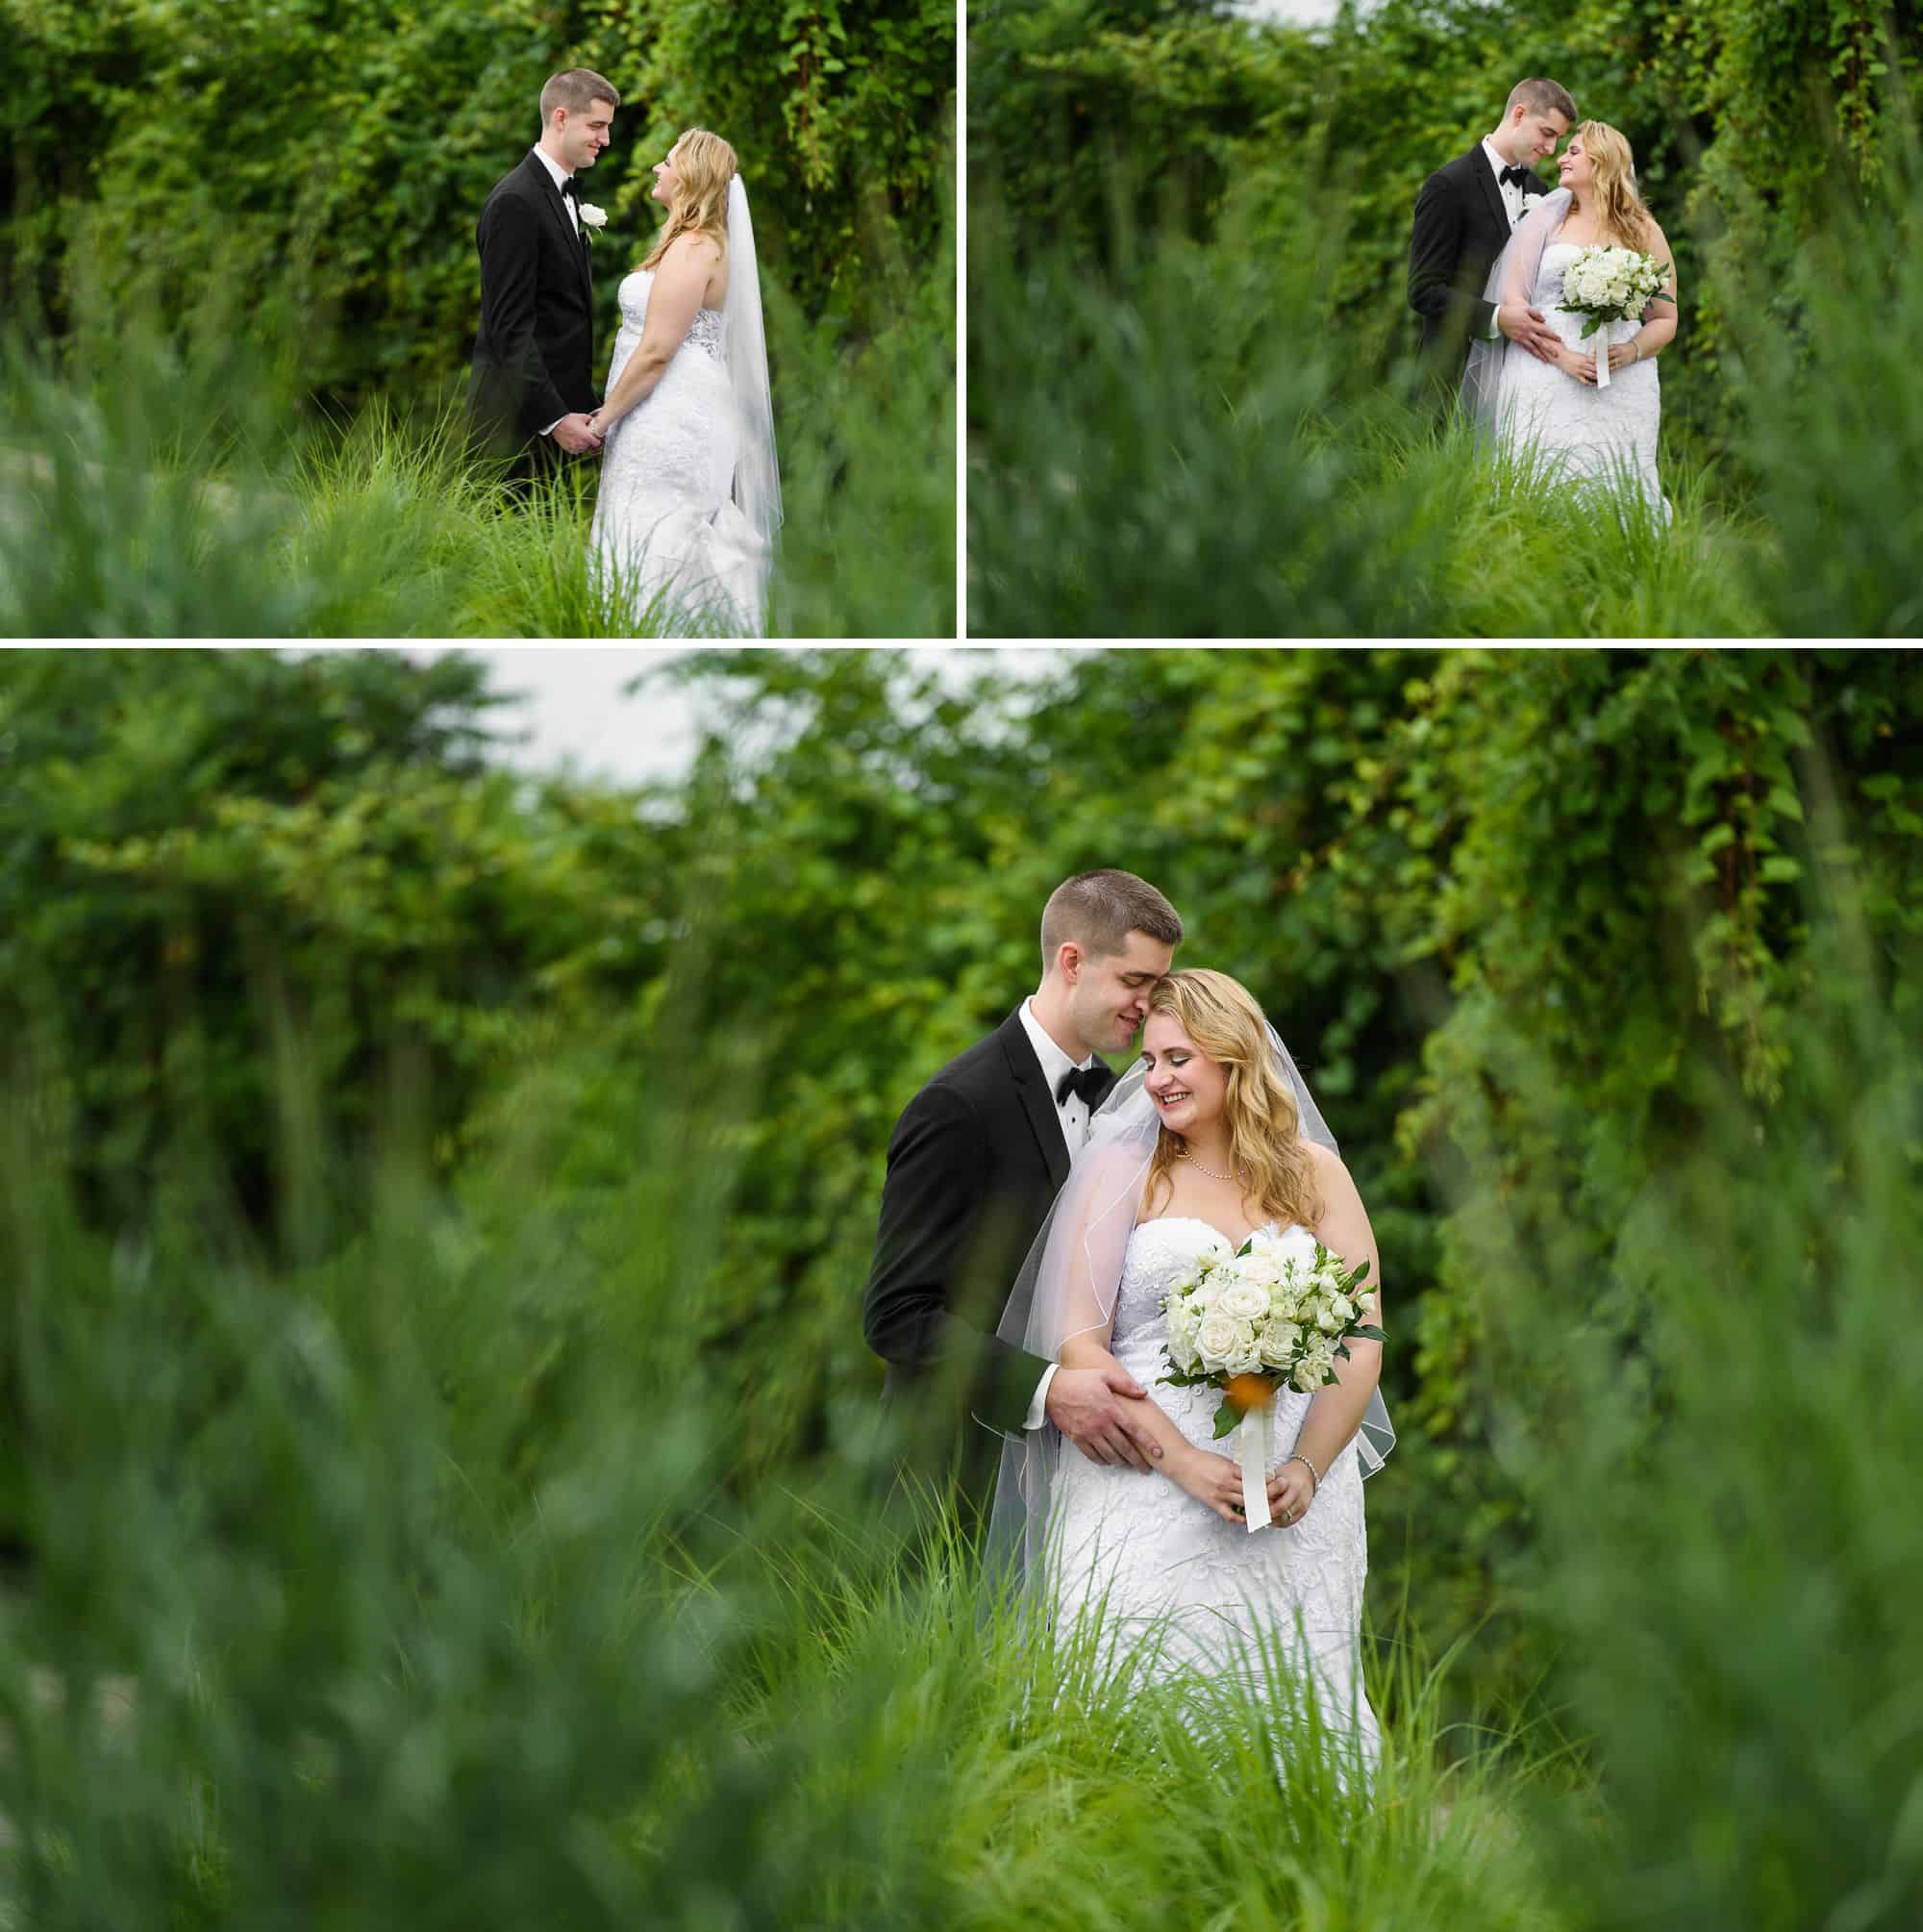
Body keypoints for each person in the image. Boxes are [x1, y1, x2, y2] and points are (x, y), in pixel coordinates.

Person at [987, 969, 1394, 1770]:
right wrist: (1187, 1463)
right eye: (1149, 1061)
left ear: (1233, 1059)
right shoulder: (1120, 1174)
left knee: (1295, 1717)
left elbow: (1365, 1331)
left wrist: (1310, 1465)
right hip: (1141, 1481)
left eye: (1178, 1057)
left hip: (1295, 1499)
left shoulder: (1315, 1176)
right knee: (1138, 1710)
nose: (1157, 1078)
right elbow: (1082, 1348)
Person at [862, 870, 1184, 1523]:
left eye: (1158, 987)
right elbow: (898, 1314)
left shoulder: (1135, 1104)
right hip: (954, 1486)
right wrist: (1045, 1388)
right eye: (1134, 982)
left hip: (1089, 1491)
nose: (1147, 1005)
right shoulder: (957, 1106)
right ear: (1072, 961)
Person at [587, 128, 782, 637]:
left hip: (670, 415)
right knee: (645, 526)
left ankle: (655, 629)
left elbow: (656, 351)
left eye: (667, 160)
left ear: (690, 175)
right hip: (659, 410)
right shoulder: (692, 243)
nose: (657, 168)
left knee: (657, 532)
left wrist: (603, 419)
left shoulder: (696, 246)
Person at [1484, 121, 1678, 517]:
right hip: (1544, 373)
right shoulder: (1543, 220)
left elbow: (1665, 317)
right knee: (1541, 484)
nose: (1562, 158)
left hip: (1623, 383)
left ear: (1602, 161)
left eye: (1574, 151)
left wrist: (1631, 350)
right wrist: (1563, 358)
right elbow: (1513, 302)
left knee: (1618, 489)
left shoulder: (1644, 230)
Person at [469, 69, 617, 496]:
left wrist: (582, 410)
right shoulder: (516, 201)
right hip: (513, 429)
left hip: (553, 425)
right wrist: (554, 418)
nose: (604, 139)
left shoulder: (558, 194)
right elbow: (510, 327)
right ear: (559, 117)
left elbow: (560, 318)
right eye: (596, 126)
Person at [1408, 78, 1577, 398]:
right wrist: (1498, 319)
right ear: (1519, 114)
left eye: (1559, 139)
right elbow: (1423, 291)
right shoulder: (1447, 185)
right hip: (1450, 377)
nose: (1552, 149)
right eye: (1547, 133)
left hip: (1521, 378)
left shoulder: (1541, 191)